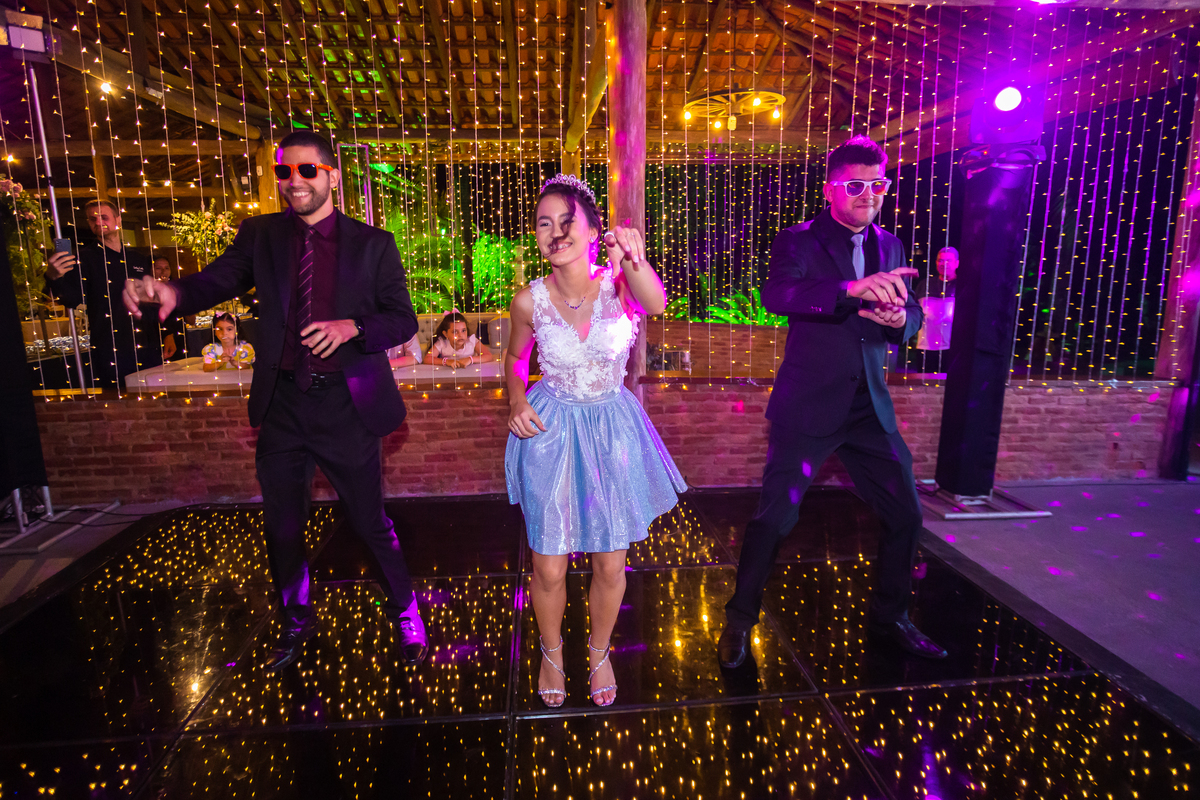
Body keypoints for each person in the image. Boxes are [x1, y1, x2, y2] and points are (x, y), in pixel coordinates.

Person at [121, 129, 427, 671]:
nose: (294, 181)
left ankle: (405, 608)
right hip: (282, 404)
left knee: (368, 519)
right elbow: (217, 280)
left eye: (308, 170)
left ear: (333, 176)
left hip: (346, 406)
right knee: (282, 525)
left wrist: (353, 327)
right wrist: (174, 292)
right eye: (284, 171)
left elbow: (401, 319)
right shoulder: (260, 235)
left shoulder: (372, 244)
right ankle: (295, 615)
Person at [717, 136, 947, 669]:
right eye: (855, 185)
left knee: (906, 513)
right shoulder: (799, 241)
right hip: (809, 407)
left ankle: (891, 618)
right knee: (775, 519)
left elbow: (912, 313)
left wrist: (900, 320)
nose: (869, 194)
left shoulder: (891, 245)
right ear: (830, 190)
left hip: (869, 408)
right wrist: (850, 290)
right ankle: (739, 622)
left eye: (877, 184)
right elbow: (778, 296)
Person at [505, 174, 687, 708]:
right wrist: (515, 400)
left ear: (592, 231)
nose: (556, 232)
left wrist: (633, 258)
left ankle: (600, 652)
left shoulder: (620, 283)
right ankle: (551, 653)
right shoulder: (528, 301)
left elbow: (657, 303)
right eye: (545, 223)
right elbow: (515, 361)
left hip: (612, 433)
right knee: (548, 565)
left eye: (568, 221)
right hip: (551, 432)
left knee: (610, 562)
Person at [44, 200, 163, 388]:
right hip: (110, 346)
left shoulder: (137, 258)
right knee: (118, 397)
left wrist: (166, 335)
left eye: (104, 217)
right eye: (93, 219)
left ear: (118, 220)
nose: (98, 222)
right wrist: (53, 277)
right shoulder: (84, 259)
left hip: (147, 344)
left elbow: (152, 301)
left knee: (156, 394)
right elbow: (72, 299)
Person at [913, 246, 957, 371]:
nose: (944, 264)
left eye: (948, 261)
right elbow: (914, 311)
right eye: (941, 260)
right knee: (923, 381)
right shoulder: (925, 285)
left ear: (957, 263)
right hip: (925, 347)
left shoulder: (962, 287)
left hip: (952, 348)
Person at [423, 311, 493, 368]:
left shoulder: (472, 341)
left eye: (463, 330)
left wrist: (470, 359)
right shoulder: (442, 343)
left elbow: (488, 356)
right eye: (455, 332)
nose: (460, 335)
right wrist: (447, 361)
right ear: (446, 334)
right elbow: (427, 359)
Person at [152, 256, 182, 361]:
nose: (163, 272)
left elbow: (191, 320)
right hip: (160, 342)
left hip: (180, 339)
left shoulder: (175, 289)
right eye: (158, 268)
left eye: (167, 268)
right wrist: (168, 335)